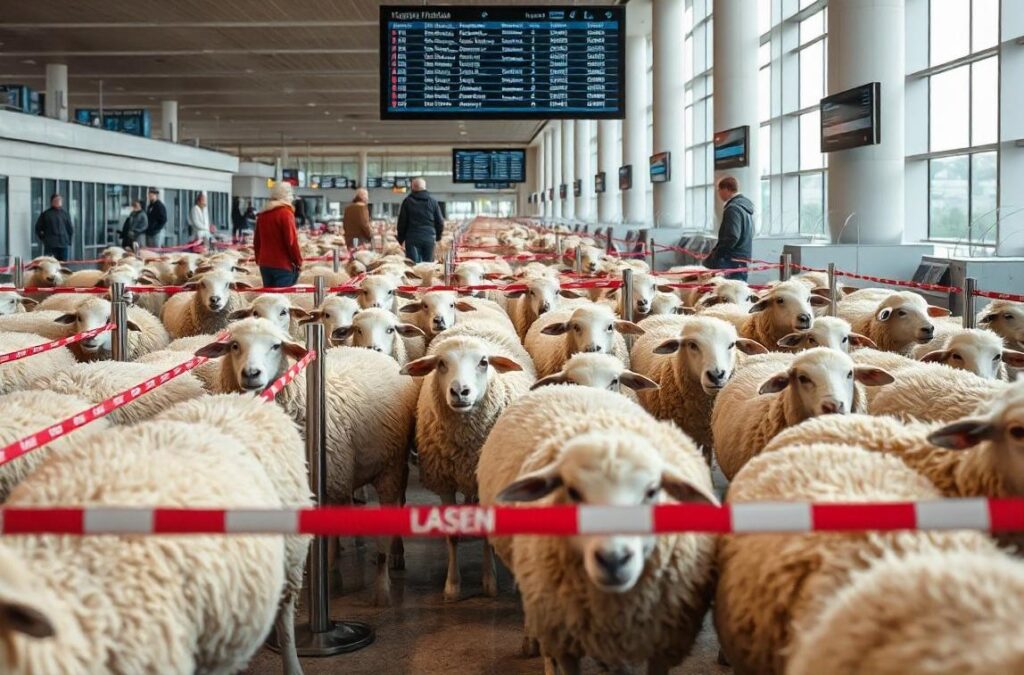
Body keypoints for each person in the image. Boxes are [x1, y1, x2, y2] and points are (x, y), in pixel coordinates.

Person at [254, 182, 303, 288]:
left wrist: (259, 259)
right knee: (281, 300)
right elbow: (291, 241)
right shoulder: (286, 214)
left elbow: (257, 240)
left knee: (269, 299)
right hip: (283, 265)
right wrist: (298, 261)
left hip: (265, 264)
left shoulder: (263, 214)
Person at [706, 176, 754, 281]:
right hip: (741, 259)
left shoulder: (733, 208)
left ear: (726, 189)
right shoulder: (744, 207)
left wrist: (717, 254)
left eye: (719, 190)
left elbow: (732, 236)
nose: (718, 194)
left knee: (727, 294)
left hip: (731, 260)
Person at [397, 177, 444, 263]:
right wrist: (438, 237)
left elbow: (402, 223)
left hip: (412, 238)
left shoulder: (407, 202)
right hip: (429, 238)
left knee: (413, 265)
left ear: (412, 187)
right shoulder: (433, 201)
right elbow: (440, 222)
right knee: (429, 266)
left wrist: (401, 239)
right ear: (425, 187)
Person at [34, 193, 74, 261]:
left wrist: (68, 240)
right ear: (52, 202)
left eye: (60, 200)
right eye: (57, 200)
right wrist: (44, 239)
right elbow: (38, 228)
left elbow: (70, 228)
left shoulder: (65, 214)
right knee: (50, 264)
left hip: (63, 243)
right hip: (51, 245)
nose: (59, 201)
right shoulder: (46, 214)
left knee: (63, 264)